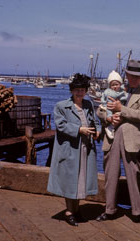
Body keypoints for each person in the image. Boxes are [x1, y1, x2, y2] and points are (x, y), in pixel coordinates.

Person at [96, 59, 140, 224]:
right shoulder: (115, 89)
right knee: (111, 174)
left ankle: (139, 211)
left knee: (135, 175)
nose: (134, 79)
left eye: (138, 76)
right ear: (127, 75)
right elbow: (100, 110)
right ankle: (109, 210)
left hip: (132, 140)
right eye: (131, 75)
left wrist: (121, 109)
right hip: (111, 137)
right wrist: (107, 117)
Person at [47, 73, 101, 227]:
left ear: (86, 91)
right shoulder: (61, 106)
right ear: (71, 90)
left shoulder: (88, 105)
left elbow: (95, 122)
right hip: (70, 150)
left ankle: (76, 211)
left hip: (85, 150)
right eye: (77, 90)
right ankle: (69, 212)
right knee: (70, 180)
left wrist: (97, 131)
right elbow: (61, 125)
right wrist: (79, 129)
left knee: (80, 180)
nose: (79, 92)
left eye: (82, 90)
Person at [99, 70, 128, 139]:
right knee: (111, 116)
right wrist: (104, 104)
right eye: (113, 85)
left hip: (119, 108)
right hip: (109, 107)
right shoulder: (108, 92)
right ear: (110, 86)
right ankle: (110, 127)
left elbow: (124, 98)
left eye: (117, 84)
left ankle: (112, 127)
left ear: (120, 84)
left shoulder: (122, 91)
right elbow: (103, 99)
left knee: (118, 116)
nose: (115, 86)